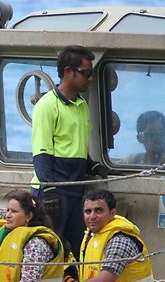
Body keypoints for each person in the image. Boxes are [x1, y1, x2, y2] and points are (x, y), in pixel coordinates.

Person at [30, 45, 108, 259]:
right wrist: (50, 190)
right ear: (68, 72)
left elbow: (75, 146)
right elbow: (41, 152)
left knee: (75, 247)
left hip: (75, 189)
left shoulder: (81, 105)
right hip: (53, 189)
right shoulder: (47, 105)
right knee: (49, 247)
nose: (90, 79)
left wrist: (91, 164)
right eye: (86, 73)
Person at [61, 189, 157, 282]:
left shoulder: (119, 239)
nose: (92, 216)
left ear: (112, 213)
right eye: (88, 211)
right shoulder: (92, 236)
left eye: (99, 211)